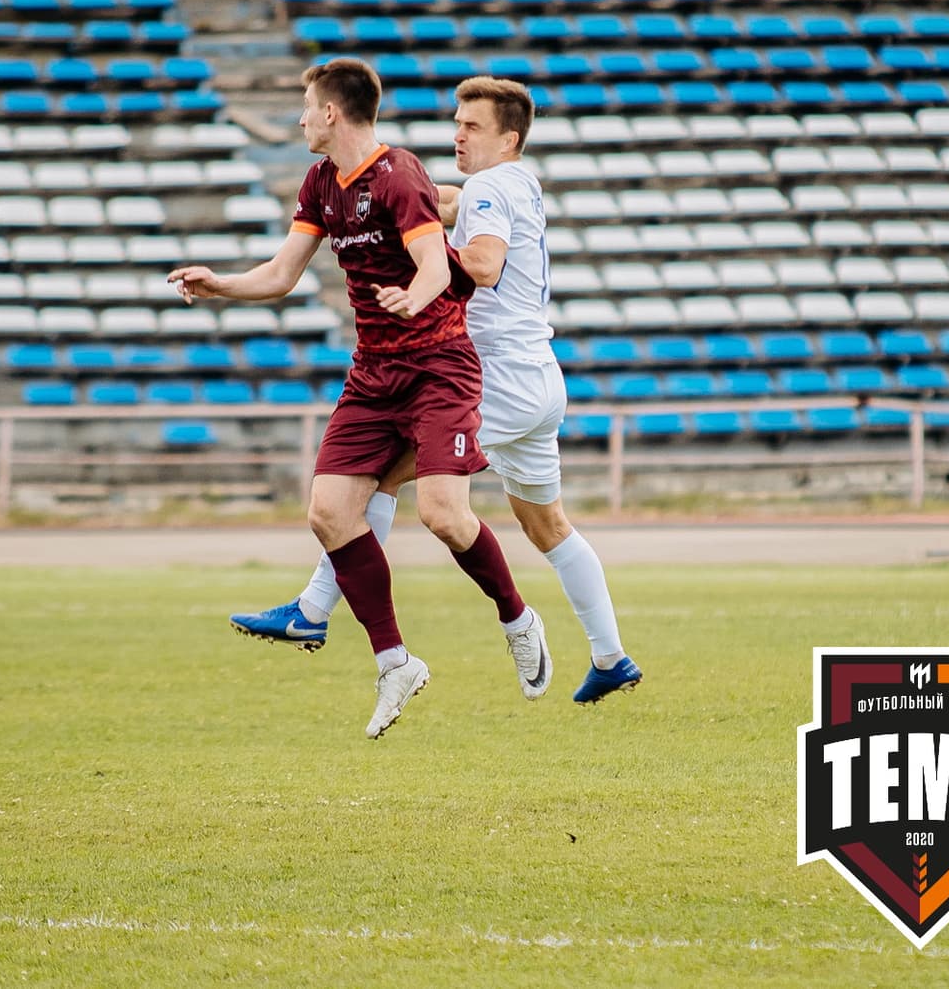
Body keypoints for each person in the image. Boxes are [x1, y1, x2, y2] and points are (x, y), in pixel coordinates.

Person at [231, 76, 643, 705]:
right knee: (546, 524)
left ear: (509, 138)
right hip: (539, 375)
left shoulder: (489, 187)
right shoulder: (518, 182)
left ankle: (314, 606)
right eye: (456, 121)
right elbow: (444, 203)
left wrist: (422, 263)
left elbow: (483, 264)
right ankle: (611, 656)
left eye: (472, 126)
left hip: (496, 374)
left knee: (378, 481)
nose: (457, 133)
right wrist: (416, 208)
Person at [168, 58, 548, 739]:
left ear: (333, 113)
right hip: (373, 375)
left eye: (307, 107)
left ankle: (517, 617)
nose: (302, 118)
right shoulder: (321, 182)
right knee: (329, 511)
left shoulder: (399, 174)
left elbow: (436, 264)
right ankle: (394, 660)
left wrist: (415, 297)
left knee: (443, 515)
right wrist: (219, 284)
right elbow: (284, 274)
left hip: (439, 369)